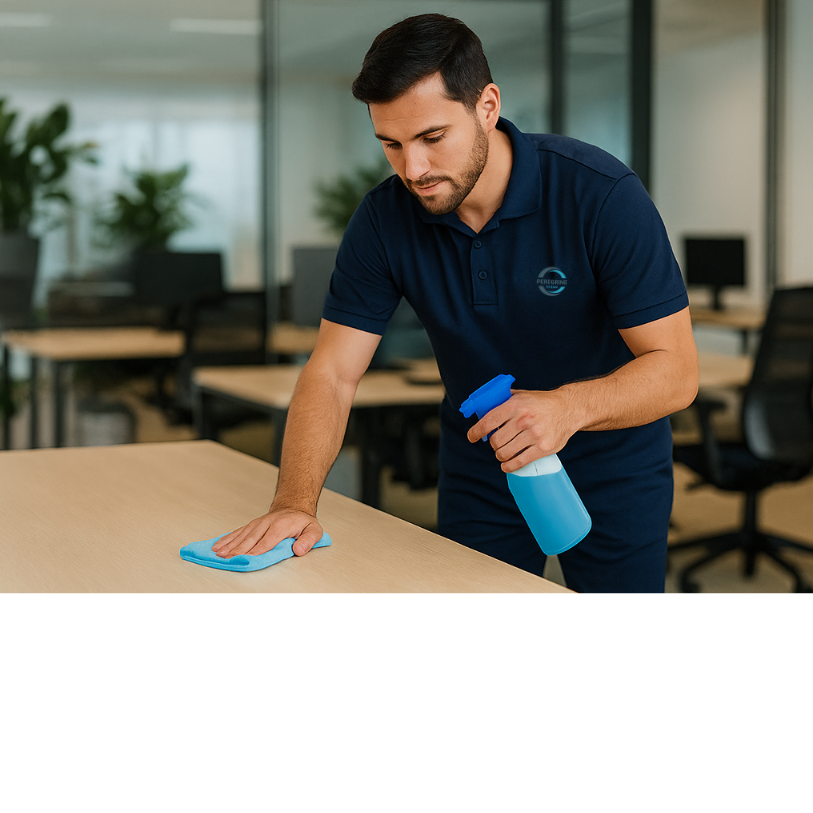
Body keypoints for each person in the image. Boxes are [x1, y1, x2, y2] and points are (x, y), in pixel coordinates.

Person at [212, 13, 698, 592]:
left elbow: (677, 372)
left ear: (486, 106)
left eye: (431, 138)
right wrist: (295, 500)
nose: (412, 169)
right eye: (391, 144)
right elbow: (333, 372)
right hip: (482, 467)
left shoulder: (600, 195)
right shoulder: (385, 218)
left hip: (613, 462)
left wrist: (565, 409)